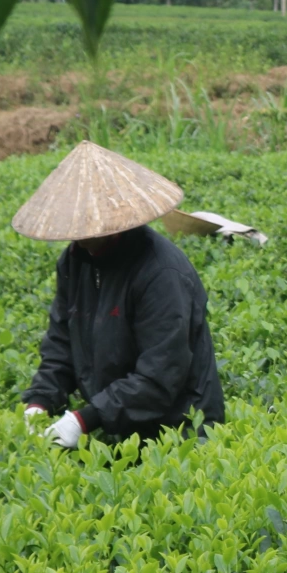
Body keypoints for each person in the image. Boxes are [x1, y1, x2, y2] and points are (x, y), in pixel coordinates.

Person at [18, 141, 225, 448]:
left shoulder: (161, 273)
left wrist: (85, 419)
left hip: (179, 433)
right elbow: (61, 343)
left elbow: (160, 374)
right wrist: (40, 400)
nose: (80, 236)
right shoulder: (75, 262)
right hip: (116, 428)